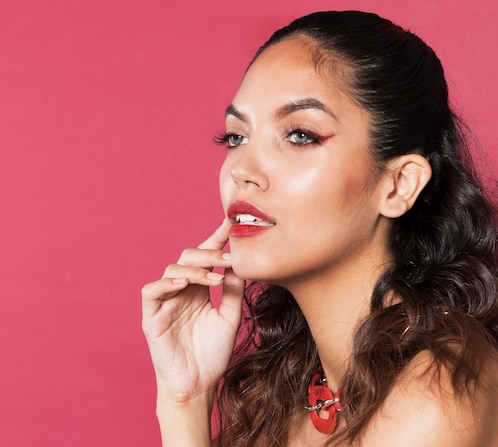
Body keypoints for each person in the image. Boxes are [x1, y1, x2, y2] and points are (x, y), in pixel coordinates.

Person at [141, 10, 498, 446]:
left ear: (399, 184)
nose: (242, 171)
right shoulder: (294, 388)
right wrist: (185, 400)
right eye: (236, 137)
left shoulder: (436, 390)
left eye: (300, 135)